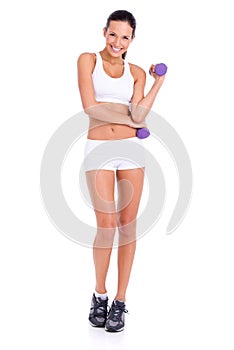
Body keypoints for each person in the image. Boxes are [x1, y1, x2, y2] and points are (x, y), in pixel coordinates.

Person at [77, 10, 165, 332]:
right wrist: (129, 118)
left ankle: (120, 301)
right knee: (106, 226)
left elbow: (140, 114)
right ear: (104, 32)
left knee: (128, 226)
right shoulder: (88, 61)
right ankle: (99, 294)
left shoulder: (138, 72)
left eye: (124, 37)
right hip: (98, 149)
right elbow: (90, 107)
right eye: (113, 34)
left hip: (131, 152)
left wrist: (159, 83)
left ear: (132, 39)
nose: (117, 42)